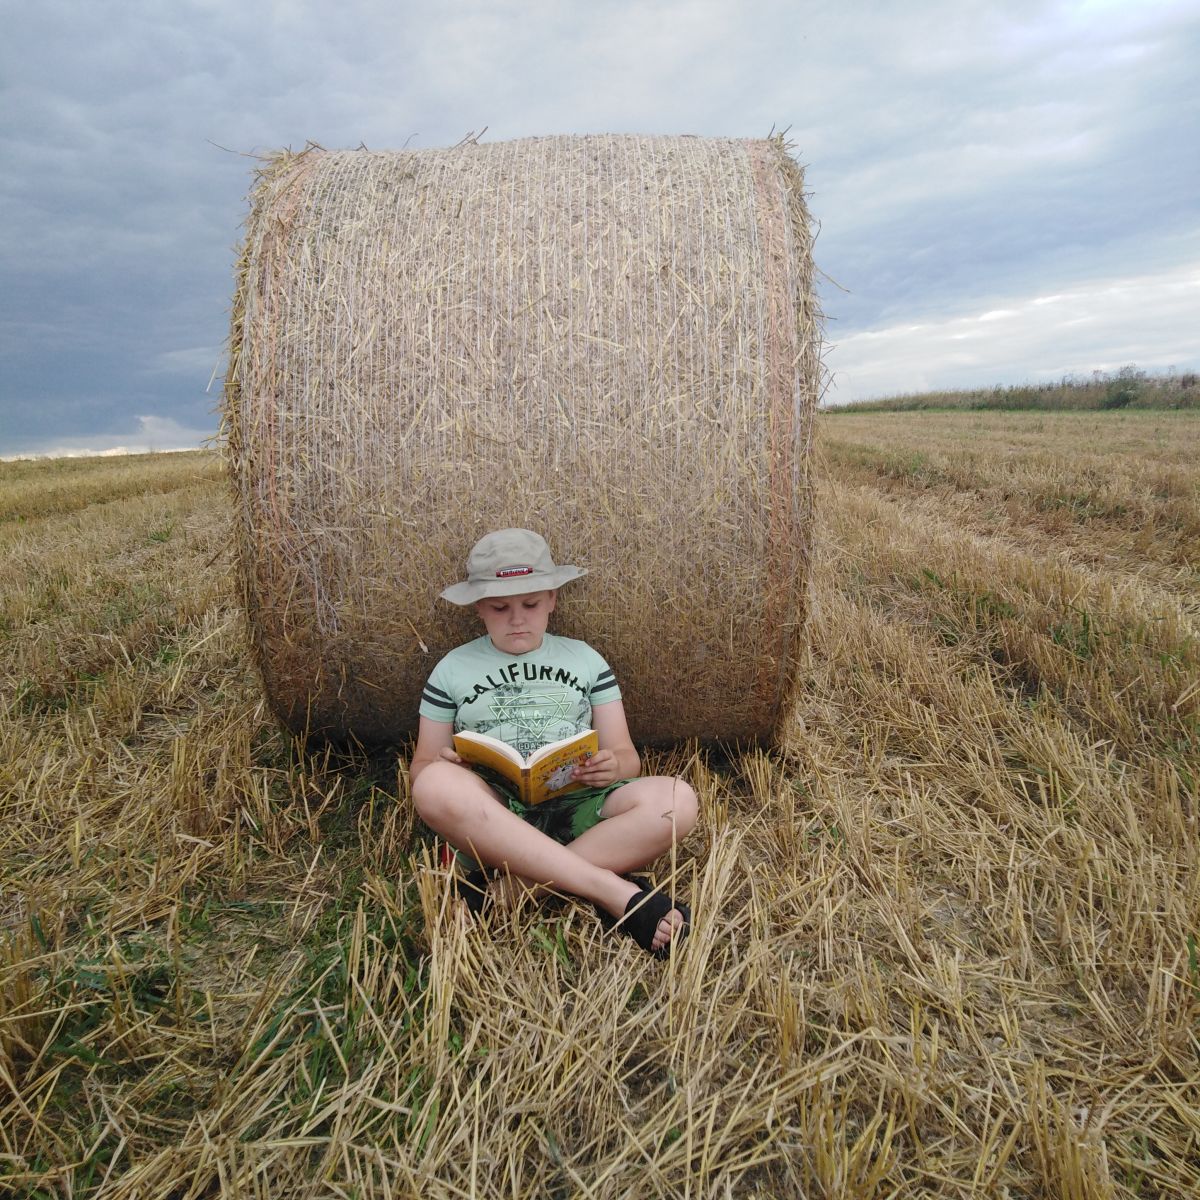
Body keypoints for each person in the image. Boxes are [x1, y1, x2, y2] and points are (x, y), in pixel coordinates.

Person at [410, 528, 698, 957]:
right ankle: (613, 891)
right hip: (494, 814)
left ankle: (511, 891)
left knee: (678, 801)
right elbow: (420, 767)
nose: (517, 619)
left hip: (577, 805)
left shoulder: (584, 659)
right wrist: (447, 765)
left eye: (530, 604)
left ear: (552, 600)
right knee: (433, 784)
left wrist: (612, 766)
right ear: (478, 608)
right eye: (500, 607)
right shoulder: (452, 669)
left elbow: (627, 756)